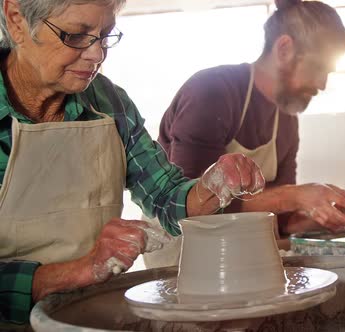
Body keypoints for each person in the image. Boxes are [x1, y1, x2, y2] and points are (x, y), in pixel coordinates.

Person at [0, 0, 264, 326]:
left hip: (89, 317)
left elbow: (166, 198)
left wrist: (211, 187)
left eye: (105, 35)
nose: (97, 55)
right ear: (16, 20)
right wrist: (72, 272)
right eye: (77, 35)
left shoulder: (109, 103)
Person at [157, 0, 345, 241]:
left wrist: (325, 214)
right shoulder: (212, 91)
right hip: (181, 247)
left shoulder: (286, 119)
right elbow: (193, 208)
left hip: (242, 248)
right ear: (284, 49)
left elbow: (282, 221)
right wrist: (295, 195)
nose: (322, 84)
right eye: (318, 68)